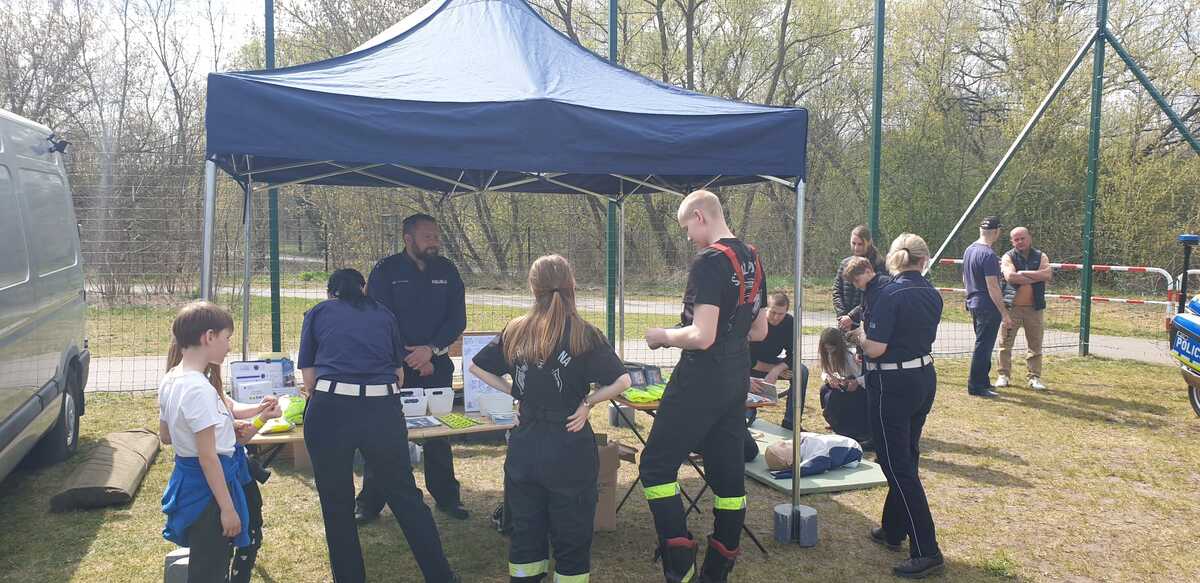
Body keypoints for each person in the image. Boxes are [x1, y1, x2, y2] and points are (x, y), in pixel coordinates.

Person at [469, 254, 632, 583]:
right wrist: (588, 402)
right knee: (572, 537)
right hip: (569, 444)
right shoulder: (585, 334)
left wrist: (515, 392)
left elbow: (476, 366)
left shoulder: (516, 329)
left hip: (525, 445)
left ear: (533, 288)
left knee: (526, 533)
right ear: (572, 285)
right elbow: (623, 381)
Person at [298, 269, 459, 583]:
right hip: (381, 408)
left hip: (331, 409)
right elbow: (399, 376)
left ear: (330, 292)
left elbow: (309, 379)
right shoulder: (384, 314)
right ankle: (441, 576)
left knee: (336, 502)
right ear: (364, 290)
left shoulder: (318, 313)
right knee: (405, 496)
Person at [642, 190, 769, 583]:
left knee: (655, 467)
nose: (688, 238)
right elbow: (759, 330)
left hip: (700, 380)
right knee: (727, 474)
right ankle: (717, 572)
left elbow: (702, 335)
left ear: (700, 216)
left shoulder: (710, 261)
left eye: (687, 228)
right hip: (735, 378)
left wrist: (662, 336)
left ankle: (679, 564)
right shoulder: (753, 257)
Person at [357, 213, 469, 522]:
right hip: (394, 367)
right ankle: (369, 502)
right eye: (427, 236)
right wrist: (408, 358)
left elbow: (457, 319)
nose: (435, 242)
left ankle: (447, 498)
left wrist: (430, 351)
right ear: (408, 239)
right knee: (384, 434)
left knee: (438, 432)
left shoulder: (447, 270)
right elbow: (378, 318)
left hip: (437, 363)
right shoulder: (385, 270)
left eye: (436, 236)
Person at [159, 301, 281, 583]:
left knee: (207, 564)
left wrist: (223, 426)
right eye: (227, 338)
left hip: (190, 483)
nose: (228, 346)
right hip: (210, 492)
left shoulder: (172, 378)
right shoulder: (199, 389)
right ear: (209, 337)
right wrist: (227, 509)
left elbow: (166, 435)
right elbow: (208, 457)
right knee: (210, 571)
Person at [848, 233, 944, 579]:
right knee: (906, 455)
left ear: (892, 259)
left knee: (895, 464)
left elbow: (875, 347)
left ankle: (926, 549)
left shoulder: (889, 294)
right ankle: (893, 528)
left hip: (891, 384)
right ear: (923, 259)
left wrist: (858, 335)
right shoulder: (932, 292)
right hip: (922, 378)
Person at [962, 216, 1012, 397]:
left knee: (983, 344)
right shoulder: (989, 255)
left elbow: (965, 278)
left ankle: (983, 380)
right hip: (987, 306)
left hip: (974, 302)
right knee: (983, 346)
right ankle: (976, 385)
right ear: (997, 232)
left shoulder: (969, 250)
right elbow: (993, 287)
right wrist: (1004, 313)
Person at [998, 227, 1052, 391]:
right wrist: (1036, 276)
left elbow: (1047, 275)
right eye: (1016, 239)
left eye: (1022, 238)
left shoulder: (1041, 256)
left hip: (1034, 309)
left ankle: (1034, 377)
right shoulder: (1008, 256)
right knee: (1005, 344)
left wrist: (1023, 273)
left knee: (1035, 345)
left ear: (1030, 237)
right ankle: (1003, 375)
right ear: (1012, 241)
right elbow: (1010, 277)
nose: (1020, 241)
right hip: (1011, 308)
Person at [747, 292, 810, 433]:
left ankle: (791, 421)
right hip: (748, 366)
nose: (776, 317)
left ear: (786, 312)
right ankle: (748, 414)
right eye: (773, 312)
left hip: (772, 362)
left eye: (781, 314)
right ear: (766, 309)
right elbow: (748, 359)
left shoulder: (789, 322)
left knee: (801, 371)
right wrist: (773, 370)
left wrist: (777, 370)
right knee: (747, 422)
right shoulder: (754, 320)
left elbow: (795, 353)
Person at [815, 327, 871, 448]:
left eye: (832, 348)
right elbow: (825, 371)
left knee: (835, 397)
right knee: (824, 390)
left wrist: (855, 382)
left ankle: (849, 429)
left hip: (858, 386)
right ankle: (835, 422)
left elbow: (863, 375)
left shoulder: (851, 356)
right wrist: (828, 378)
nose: (829, 351)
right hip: (844, 384)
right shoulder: (828, 354)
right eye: (827, 348)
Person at [835, 225, 887, 331]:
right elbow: (837, 291)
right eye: (853, 243)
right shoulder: (845, 263)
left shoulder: (878, 264)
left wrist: (852, 316)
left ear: (868, 243)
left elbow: (876, 297)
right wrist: (842, 317)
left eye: (860, 244)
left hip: (868, 320)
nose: (856, 247)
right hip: (845, 322)